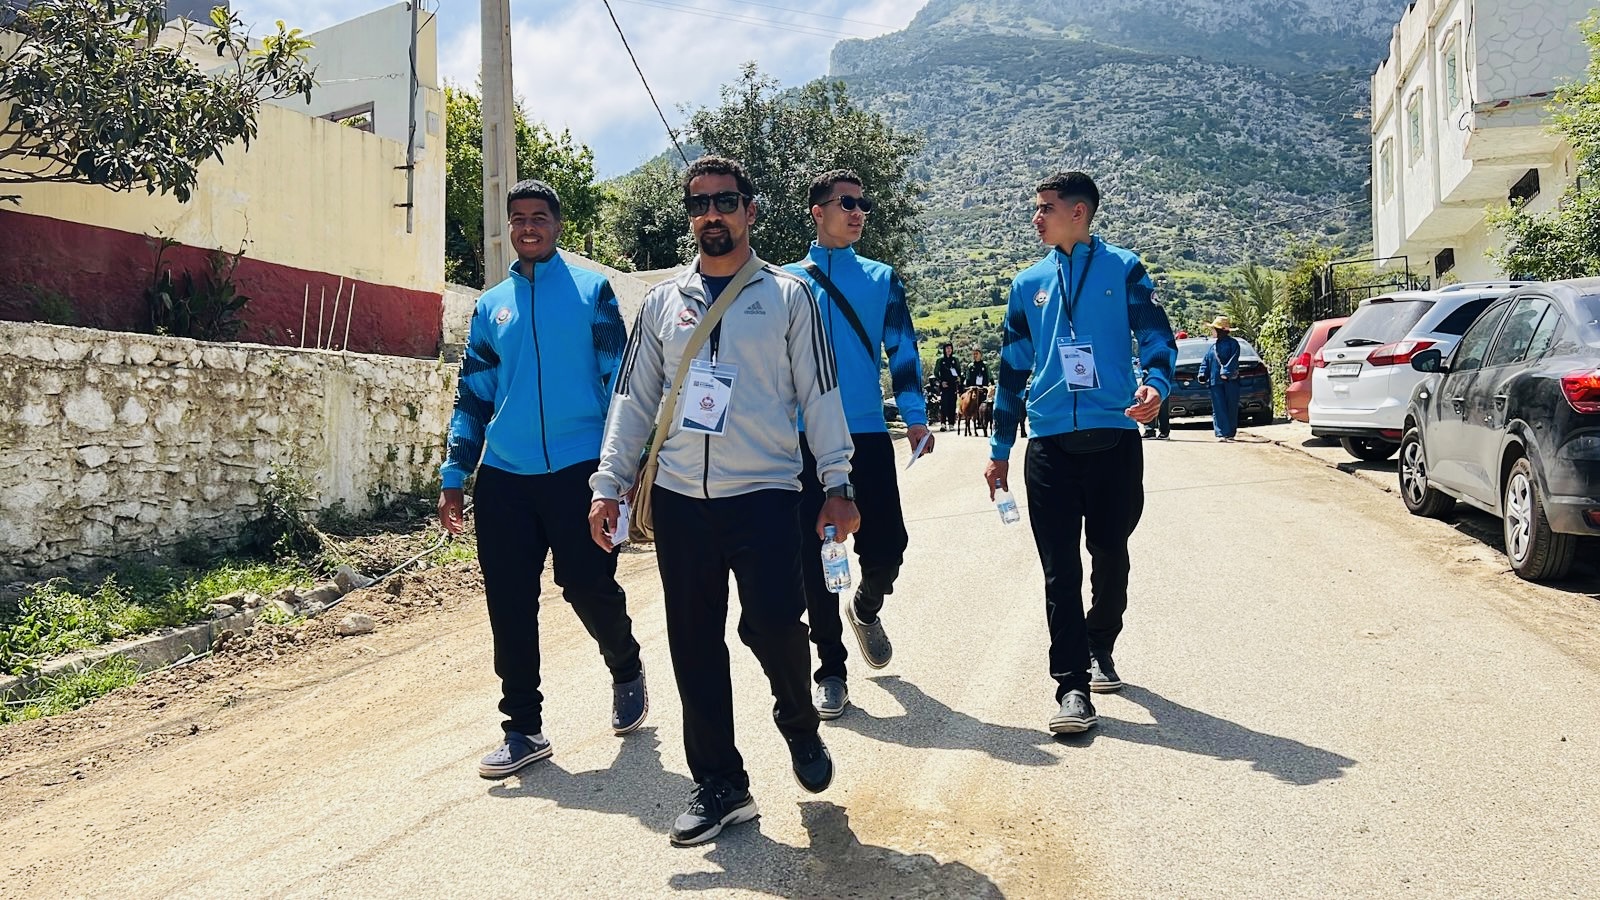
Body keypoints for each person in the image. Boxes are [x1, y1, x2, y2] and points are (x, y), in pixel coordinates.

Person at [587, 156, 860, 847]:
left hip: (766, 493)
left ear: (750, 211)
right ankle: (721, 785)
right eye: (699, 204)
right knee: (694, 645)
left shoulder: (790, 296)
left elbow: (820, 394)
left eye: (725, 201)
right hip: (682, 499)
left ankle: (798, 719)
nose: (712, 213)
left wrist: (837, 482)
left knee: (774, 625)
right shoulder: (661, 303)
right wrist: (609, 484)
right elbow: (632, 398)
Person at [438, 179, 646, 780]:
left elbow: (619, 384)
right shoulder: (491, 306)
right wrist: (455, 473)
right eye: (518, 218)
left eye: (539, 217)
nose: (527, 227)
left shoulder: (591, 292)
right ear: (510, 227)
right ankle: (522, 728)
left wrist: (623, 467)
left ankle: (625, 665)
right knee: (509, 602)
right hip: (505, 474)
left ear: (557, 226)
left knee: (586, 584)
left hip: (580, 469)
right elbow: (473, 395)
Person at [983, 171, 1176, 735]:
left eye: (1045, 208)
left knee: (1110, 553)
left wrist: (1157, 385)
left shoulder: (1124, 268)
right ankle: (1071, 687)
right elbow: (1011, 371)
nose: (1036, 218)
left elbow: (1156, 335)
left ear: (1078, 213)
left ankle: (1100, 643)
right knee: (1059, 570)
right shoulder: (1028, 283)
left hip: (1114, 438)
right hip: (1048, 445)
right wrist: (999, 449)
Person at [785, 169, 933, 720]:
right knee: (815, 556)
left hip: (866, 432)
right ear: (817, 211)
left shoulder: (881, 278)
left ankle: (866, 607)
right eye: (846, 202)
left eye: (862, 204)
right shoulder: (785, 282)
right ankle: (830, 669)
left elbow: (903, 349)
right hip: (802, 436)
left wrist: (914, 417)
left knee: (888, 547)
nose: (858, 212)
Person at [1198, 315, 1241, 441]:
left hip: (1231, 381)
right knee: (1218, 408)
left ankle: (1230, 433)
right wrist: (1202, 374)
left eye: (1214, 329)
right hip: (1215, 382)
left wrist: (1226, 372)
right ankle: (1221, 433)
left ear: (1220, 331)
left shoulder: (1233, 344)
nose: (1212, 332)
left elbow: (1233, 359)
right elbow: (1206, 362)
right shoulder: (1213, 347)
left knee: (1231, 406)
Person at [933, 342, 962, 431]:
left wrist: (958, 378)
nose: (949, 350)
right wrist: (941, 382)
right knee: (944, 404)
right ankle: (943, 424)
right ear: (944, 350)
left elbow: (959, 371)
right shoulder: (940, 360)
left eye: (950, 348)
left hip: (953, 385)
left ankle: (951, 423)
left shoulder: (955, 360)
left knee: (952, 404)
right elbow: (936, 372)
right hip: (944, 385)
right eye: (947, 348)